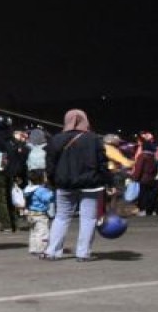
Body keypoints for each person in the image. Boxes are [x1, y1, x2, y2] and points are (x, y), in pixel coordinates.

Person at [42, 109, 112, 262]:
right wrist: (107, 181)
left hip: (64, 184)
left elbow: (50, 164)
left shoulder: (56, 139)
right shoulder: (94, 139)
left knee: (61, 217)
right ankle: (83, 253)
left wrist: (53, 181)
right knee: (88, 219)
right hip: (91, 184)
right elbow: (102, 163)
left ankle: (52, 251)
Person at [23, 170, 54, 256]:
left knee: (33, 232)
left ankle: (33, 248)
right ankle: (41, 250)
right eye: (45, 176)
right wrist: (53, 193)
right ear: (41, 179)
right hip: (40, 215)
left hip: (30, 214)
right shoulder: (41, 190)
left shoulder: (28, 189)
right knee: (42, 232)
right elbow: (48, 198)